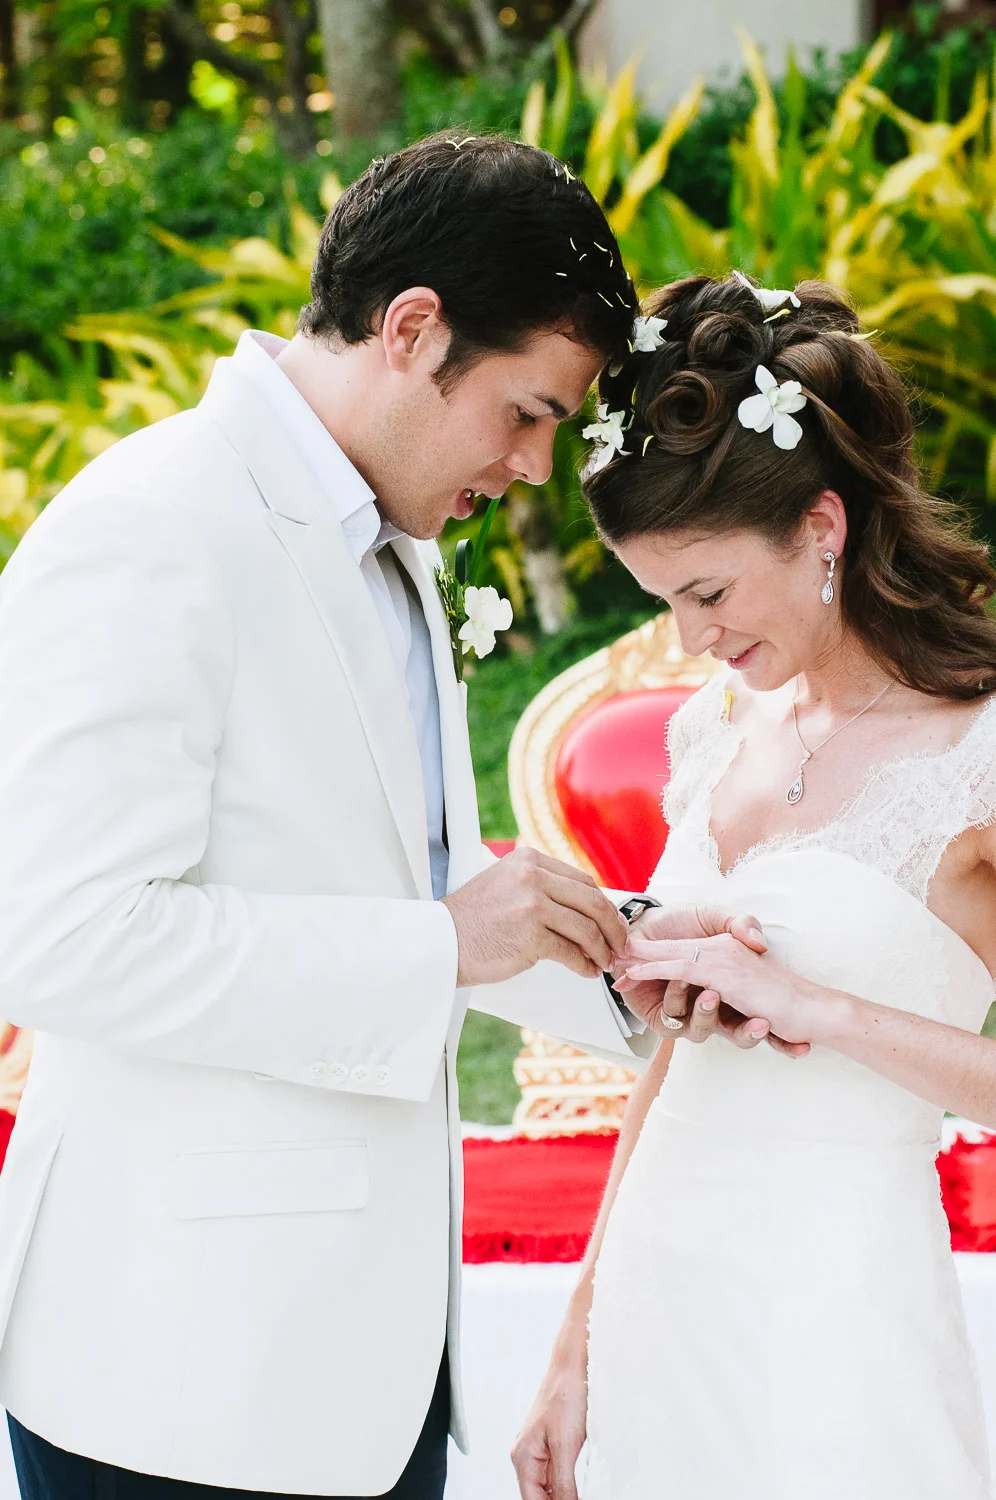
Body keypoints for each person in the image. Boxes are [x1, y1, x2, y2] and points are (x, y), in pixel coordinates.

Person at [0, 140, 754, 1500]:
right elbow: (61, 940)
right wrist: (437, 945)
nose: (530, 467)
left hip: (368, 1371)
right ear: (412, 329)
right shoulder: (150, 528)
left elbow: (412, 877)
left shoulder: (386, 542)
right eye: (525, 413)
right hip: (181, 1382)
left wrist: (639, 963)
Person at [513, 272, 996, 1500]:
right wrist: (575, 1346)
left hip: (837, 1322)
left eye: (708, 593)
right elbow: (669, 1072)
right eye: (661, 600)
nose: (686, 641)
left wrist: (819, 1011)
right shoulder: (713, 734)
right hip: (661, 1304)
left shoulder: (975, 753)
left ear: (823, 527)